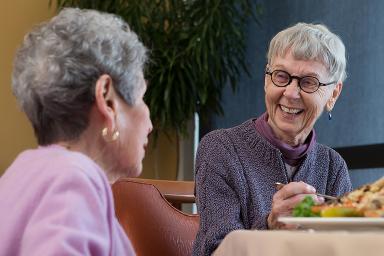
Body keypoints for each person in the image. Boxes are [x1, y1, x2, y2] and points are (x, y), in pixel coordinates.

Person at [0, 8, 152, 255]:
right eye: (142, 97)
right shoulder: (75, 179)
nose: (150, 123)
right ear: (107, 100)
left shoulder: (16, 175)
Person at [192, 22, 352, 255]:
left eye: (309, 82)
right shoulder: (220, 149)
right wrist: (269, 227)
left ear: (333, 94)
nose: (290, 92)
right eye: (281, 76)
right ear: (267, 79)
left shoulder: (333, 167)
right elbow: (215, 250)